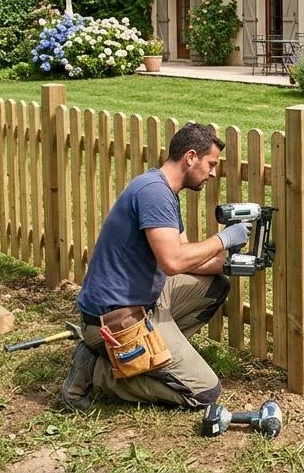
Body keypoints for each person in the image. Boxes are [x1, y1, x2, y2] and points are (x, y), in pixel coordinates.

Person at [60, 122, 248, 411]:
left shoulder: (162, 190)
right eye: (210, 164)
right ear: (190, 157)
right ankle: (99, 373)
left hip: (143, 301)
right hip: (114, 319)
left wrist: (232, 264)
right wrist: (222, 239)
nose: (213, 172)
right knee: (204, 392)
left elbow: (186, 255)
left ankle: (146, 356)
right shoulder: (154, 193)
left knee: (216, 287)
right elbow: (173, 262)